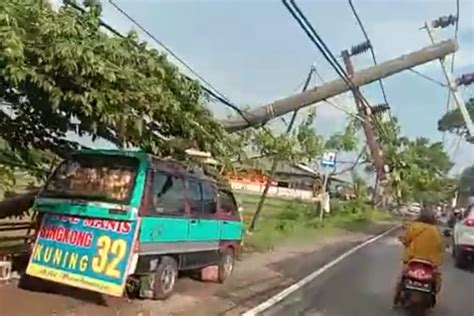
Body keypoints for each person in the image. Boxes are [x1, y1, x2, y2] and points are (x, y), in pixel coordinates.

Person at [393, 207, 444, 307]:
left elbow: (406, 240)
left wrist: (403, 240)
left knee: (403, 275)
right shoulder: (436, 231)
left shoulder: (414, 227)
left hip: (413, 258)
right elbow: (440, 246)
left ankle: (397, 296)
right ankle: (433, 295)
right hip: (430, 262)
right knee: (436, 279)